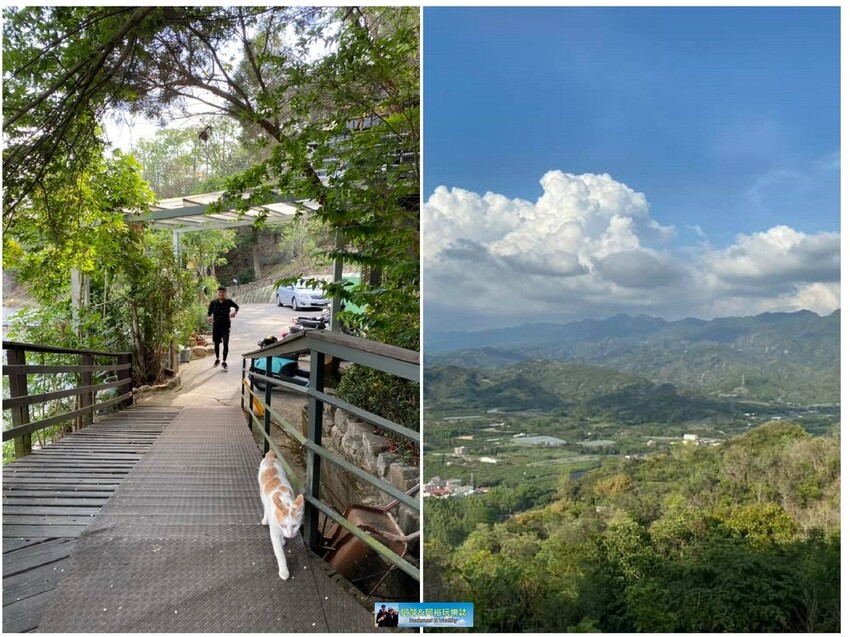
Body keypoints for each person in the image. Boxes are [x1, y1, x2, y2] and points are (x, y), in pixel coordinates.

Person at [207, 286, 239, 369]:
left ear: (225, 293)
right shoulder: (213, 302)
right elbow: (209, 312)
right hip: (216, 326)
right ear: (217, 293)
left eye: (223, 292)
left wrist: (235, 312)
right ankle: (217, 359)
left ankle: (224, 361)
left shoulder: (228, 302)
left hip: (226, 326)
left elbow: (237, 307)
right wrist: (209, 317)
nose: (221, 294)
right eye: (220, 292)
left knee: (225, 343)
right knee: (216, 344)